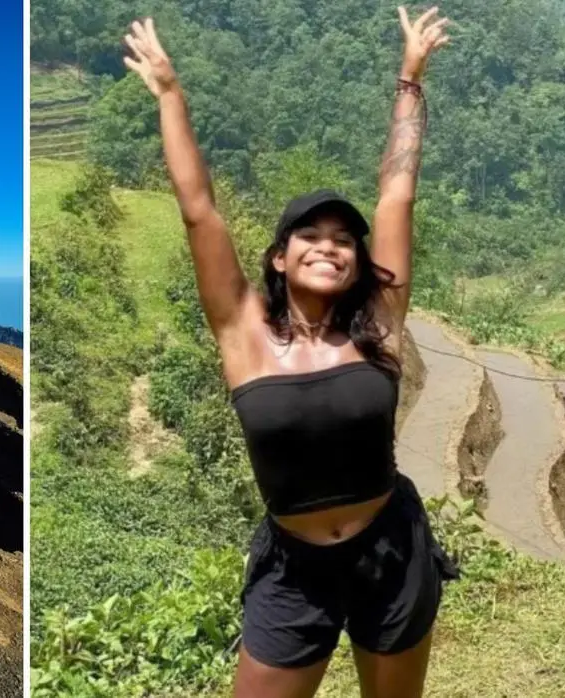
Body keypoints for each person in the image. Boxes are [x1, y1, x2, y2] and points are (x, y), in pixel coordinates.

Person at [123, 7, 456, 698]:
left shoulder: (379, 326)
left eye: (344, 239)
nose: (330, 245)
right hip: (292, 571)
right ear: (279, 257)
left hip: (390, 551)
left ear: (358, 262)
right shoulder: (242, 331)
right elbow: (199, 211)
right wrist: (170, 94)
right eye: (311, 234)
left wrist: (411, 77)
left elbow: (397, 191)